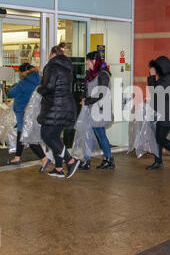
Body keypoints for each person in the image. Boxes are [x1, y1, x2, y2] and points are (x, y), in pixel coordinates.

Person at [37, 45, 80, 178]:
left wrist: (39, 89)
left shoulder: (52, 66)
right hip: (66, 106)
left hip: (55, 107)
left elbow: (49, 86)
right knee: (55, 137)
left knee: (46, 135)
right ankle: (59, 168)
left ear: (52, 54)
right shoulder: (67, 67)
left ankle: (71, 160)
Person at [7, 63, 50, 172]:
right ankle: (17, 157)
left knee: (28, 138)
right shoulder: (40, 80)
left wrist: (13, 86)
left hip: (23, 113)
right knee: (21, 135)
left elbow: (10, 93)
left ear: (22, 73)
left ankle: (44, 158)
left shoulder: (22, 84)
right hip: (34, 113)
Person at [79, 51, 115, 170]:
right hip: (92, 109)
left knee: (99, 134)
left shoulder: (103, 74)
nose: (86, 64)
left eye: (88, 61)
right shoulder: (91, 74)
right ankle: (103, 159)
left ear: (94, 61)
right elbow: (88, 89)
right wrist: (84, 98)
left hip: (99, 110)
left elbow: (101, 93)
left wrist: (87, 101)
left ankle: (103, 159)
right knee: (93, 134)